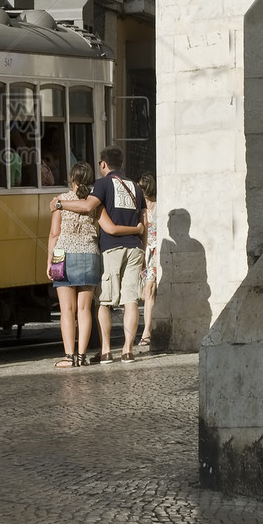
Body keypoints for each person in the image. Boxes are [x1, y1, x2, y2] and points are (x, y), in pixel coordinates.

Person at [53, 145, 147, 362]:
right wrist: (141, 246)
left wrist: (59, 204)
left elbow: (57, 231)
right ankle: (127, 350)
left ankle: (102, 350)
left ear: (103, 164)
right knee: (130, 300)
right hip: (127, 249)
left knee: (102, 302)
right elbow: (144, 220)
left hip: (105, 249)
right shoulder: (135, 187)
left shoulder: (101, 185)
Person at [47, 162, 101, 367]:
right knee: (84, 309)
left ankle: (69, 357)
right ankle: (82, 356)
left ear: (72, 179)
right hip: (90, 253)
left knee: (66, 310)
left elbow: (54, 233)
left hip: (63, 254)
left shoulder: (60, 200)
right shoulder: (94, 201)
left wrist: (49, 261)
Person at [136, 172, 157, 354]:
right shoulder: (140, 209)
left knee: (148, 291)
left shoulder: (158, 207)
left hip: (155, 253)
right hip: (144, 253)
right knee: (145, 294)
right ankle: (148, 328)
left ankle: (146, 331)